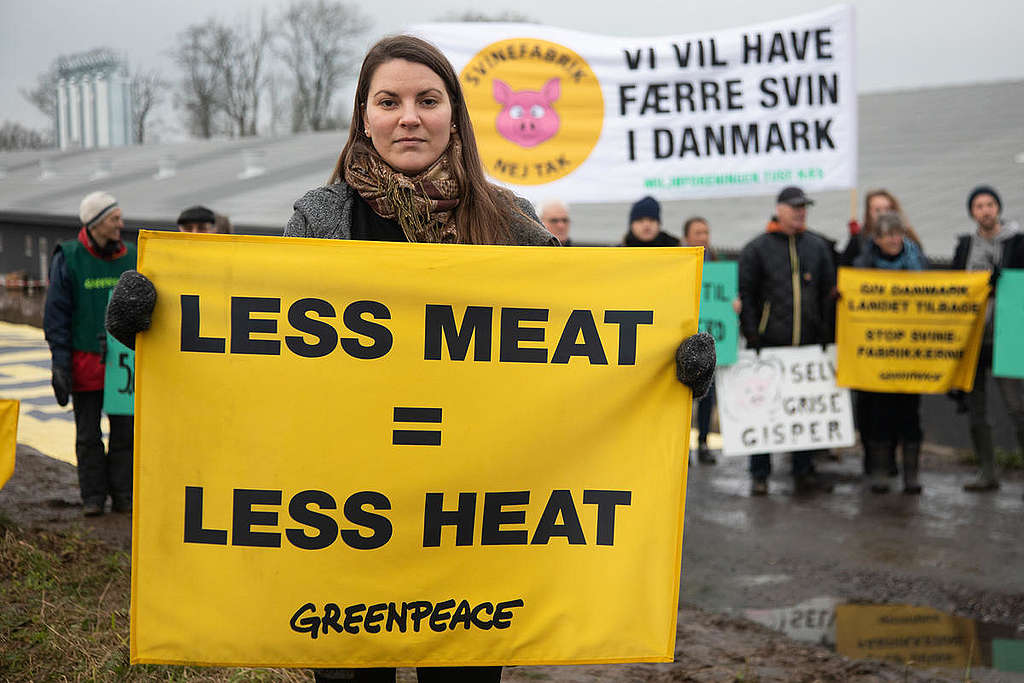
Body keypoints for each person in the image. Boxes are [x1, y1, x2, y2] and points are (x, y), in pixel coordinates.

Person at [106, 35, 716, 682]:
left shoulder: (513, 224)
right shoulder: (318, 223)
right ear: (363, 117)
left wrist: (670, 367)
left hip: (477, 530)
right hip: (341, 524)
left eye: (427, 99)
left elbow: (583, 361)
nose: (409, 116)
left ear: (454, 113)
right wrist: (155, 328)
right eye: (389, 100)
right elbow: (259, 364)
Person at [43, 191, 136, 516]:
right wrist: (60, 364)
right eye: (114, 219)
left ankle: (124, 496)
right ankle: (93, 498)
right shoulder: (68, 258)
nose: (120, 225)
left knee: (126, 434)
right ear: (96, 223)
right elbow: (56, 315)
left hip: (123, 364)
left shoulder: (133, 257)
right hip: (85, 363)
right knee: (88, 434)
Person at [738, 186, 836, 496]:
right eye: (794, 206)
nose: (800, 211)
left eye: (804, 206)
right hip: (769, 344)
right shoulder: (757, 248)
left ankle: (804, 469)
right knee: (764, 410)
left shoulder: (817, 247)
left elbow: (827, 294)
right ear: (779, 209)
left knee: (802, 410)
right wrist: (752, 334)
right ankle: (759, 472)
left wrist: (825, 335)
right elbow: (747, 295)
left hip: (807, 345)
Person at [951, 185, 1024, 492]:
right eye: (979, 205)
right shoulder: (965, 246)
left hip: (1007, 332)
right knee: (977, 410)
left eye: (990, 204)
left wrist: (1003, 281)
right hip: (972, 336)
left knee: (1016, 407)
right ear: (972, 212)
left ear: (998, 208)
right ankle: (987, 471)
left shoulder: (1018, 242)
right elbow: (953, 287)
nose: (985, 210)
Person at [853, 212, 928, 493]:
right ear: (877, 239)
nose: (893, 240)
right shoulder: (863, 265)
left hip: (910, 353)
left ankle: (911, 475)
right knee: (881, 414)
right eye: (886, 235)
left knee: (910, 414)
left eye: (897, 234)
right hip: (878, 355)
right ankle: (881, 471)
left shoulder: (918, 262)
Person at [684, 216, 720, 464]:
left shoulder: (716, 265)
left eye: (706, 232)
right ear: (687, 237)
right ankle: (683, 446)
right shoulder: (680, 265)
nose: (703, 237)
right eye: (698, 232)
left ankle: (703, 442)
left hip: (711, 342)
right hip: (687, 343)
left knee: (709, 397)